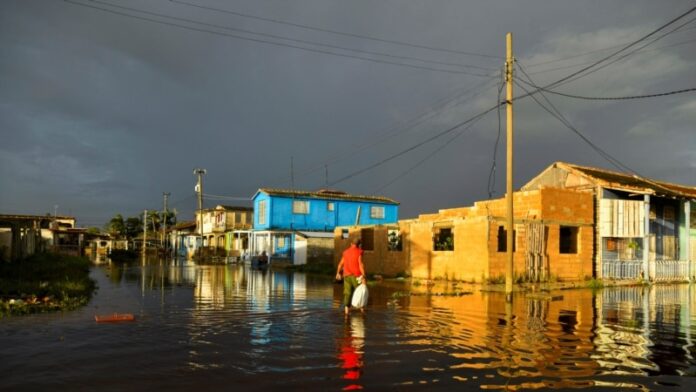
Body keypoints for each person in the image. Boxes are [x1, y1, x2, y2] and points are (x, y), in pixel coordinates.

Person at [335, 238, 366, 315]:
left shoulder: (345, 252)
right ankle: (362, 312)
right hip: (357, 276)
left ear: (351, 244)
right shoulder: (359, 251)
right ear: (359, 245)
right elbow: (360, 264)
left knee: (347, 293)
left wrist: (338, 273)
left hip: (346, 276)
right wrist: (364, 276)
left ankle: (346, 312)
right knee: (360, 292)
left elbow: (340, 264)